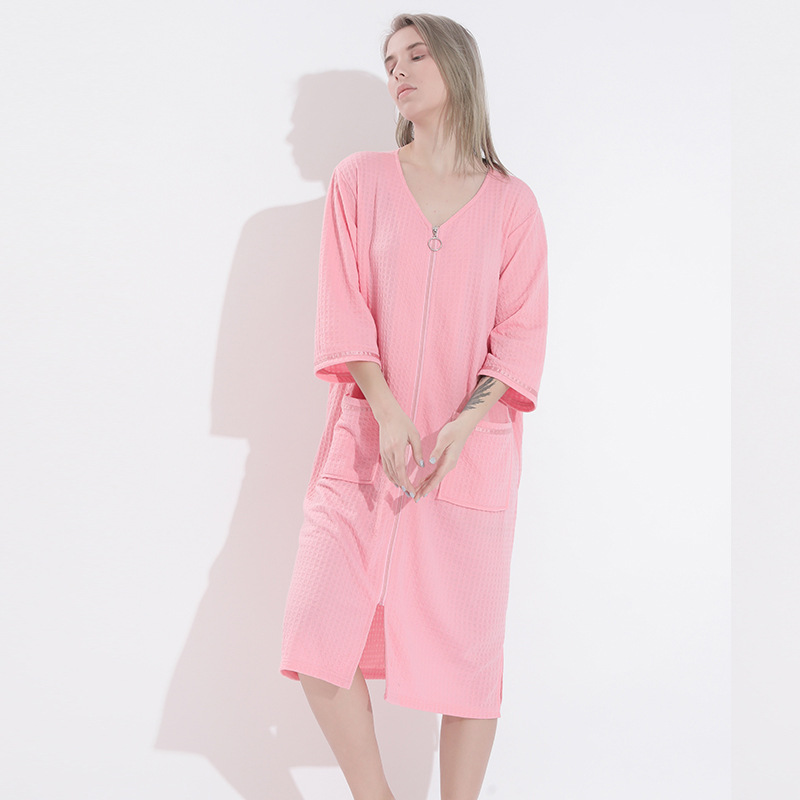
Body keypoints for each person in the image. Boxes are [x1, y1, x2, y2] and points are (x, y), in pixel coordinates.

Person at [280, 12, 549, 800]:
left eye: (415, 55)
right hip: (367, 449)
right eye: (389, 60)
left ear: (457, 66)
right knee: (317, 632)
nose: (397, 70)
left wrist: (466, 423)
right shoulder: (358, 181)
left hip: (468, 456)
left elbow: (520, 334)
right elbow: (344, 310)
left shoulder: (513, 205)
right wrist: (388, 408)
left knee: (469, 661)